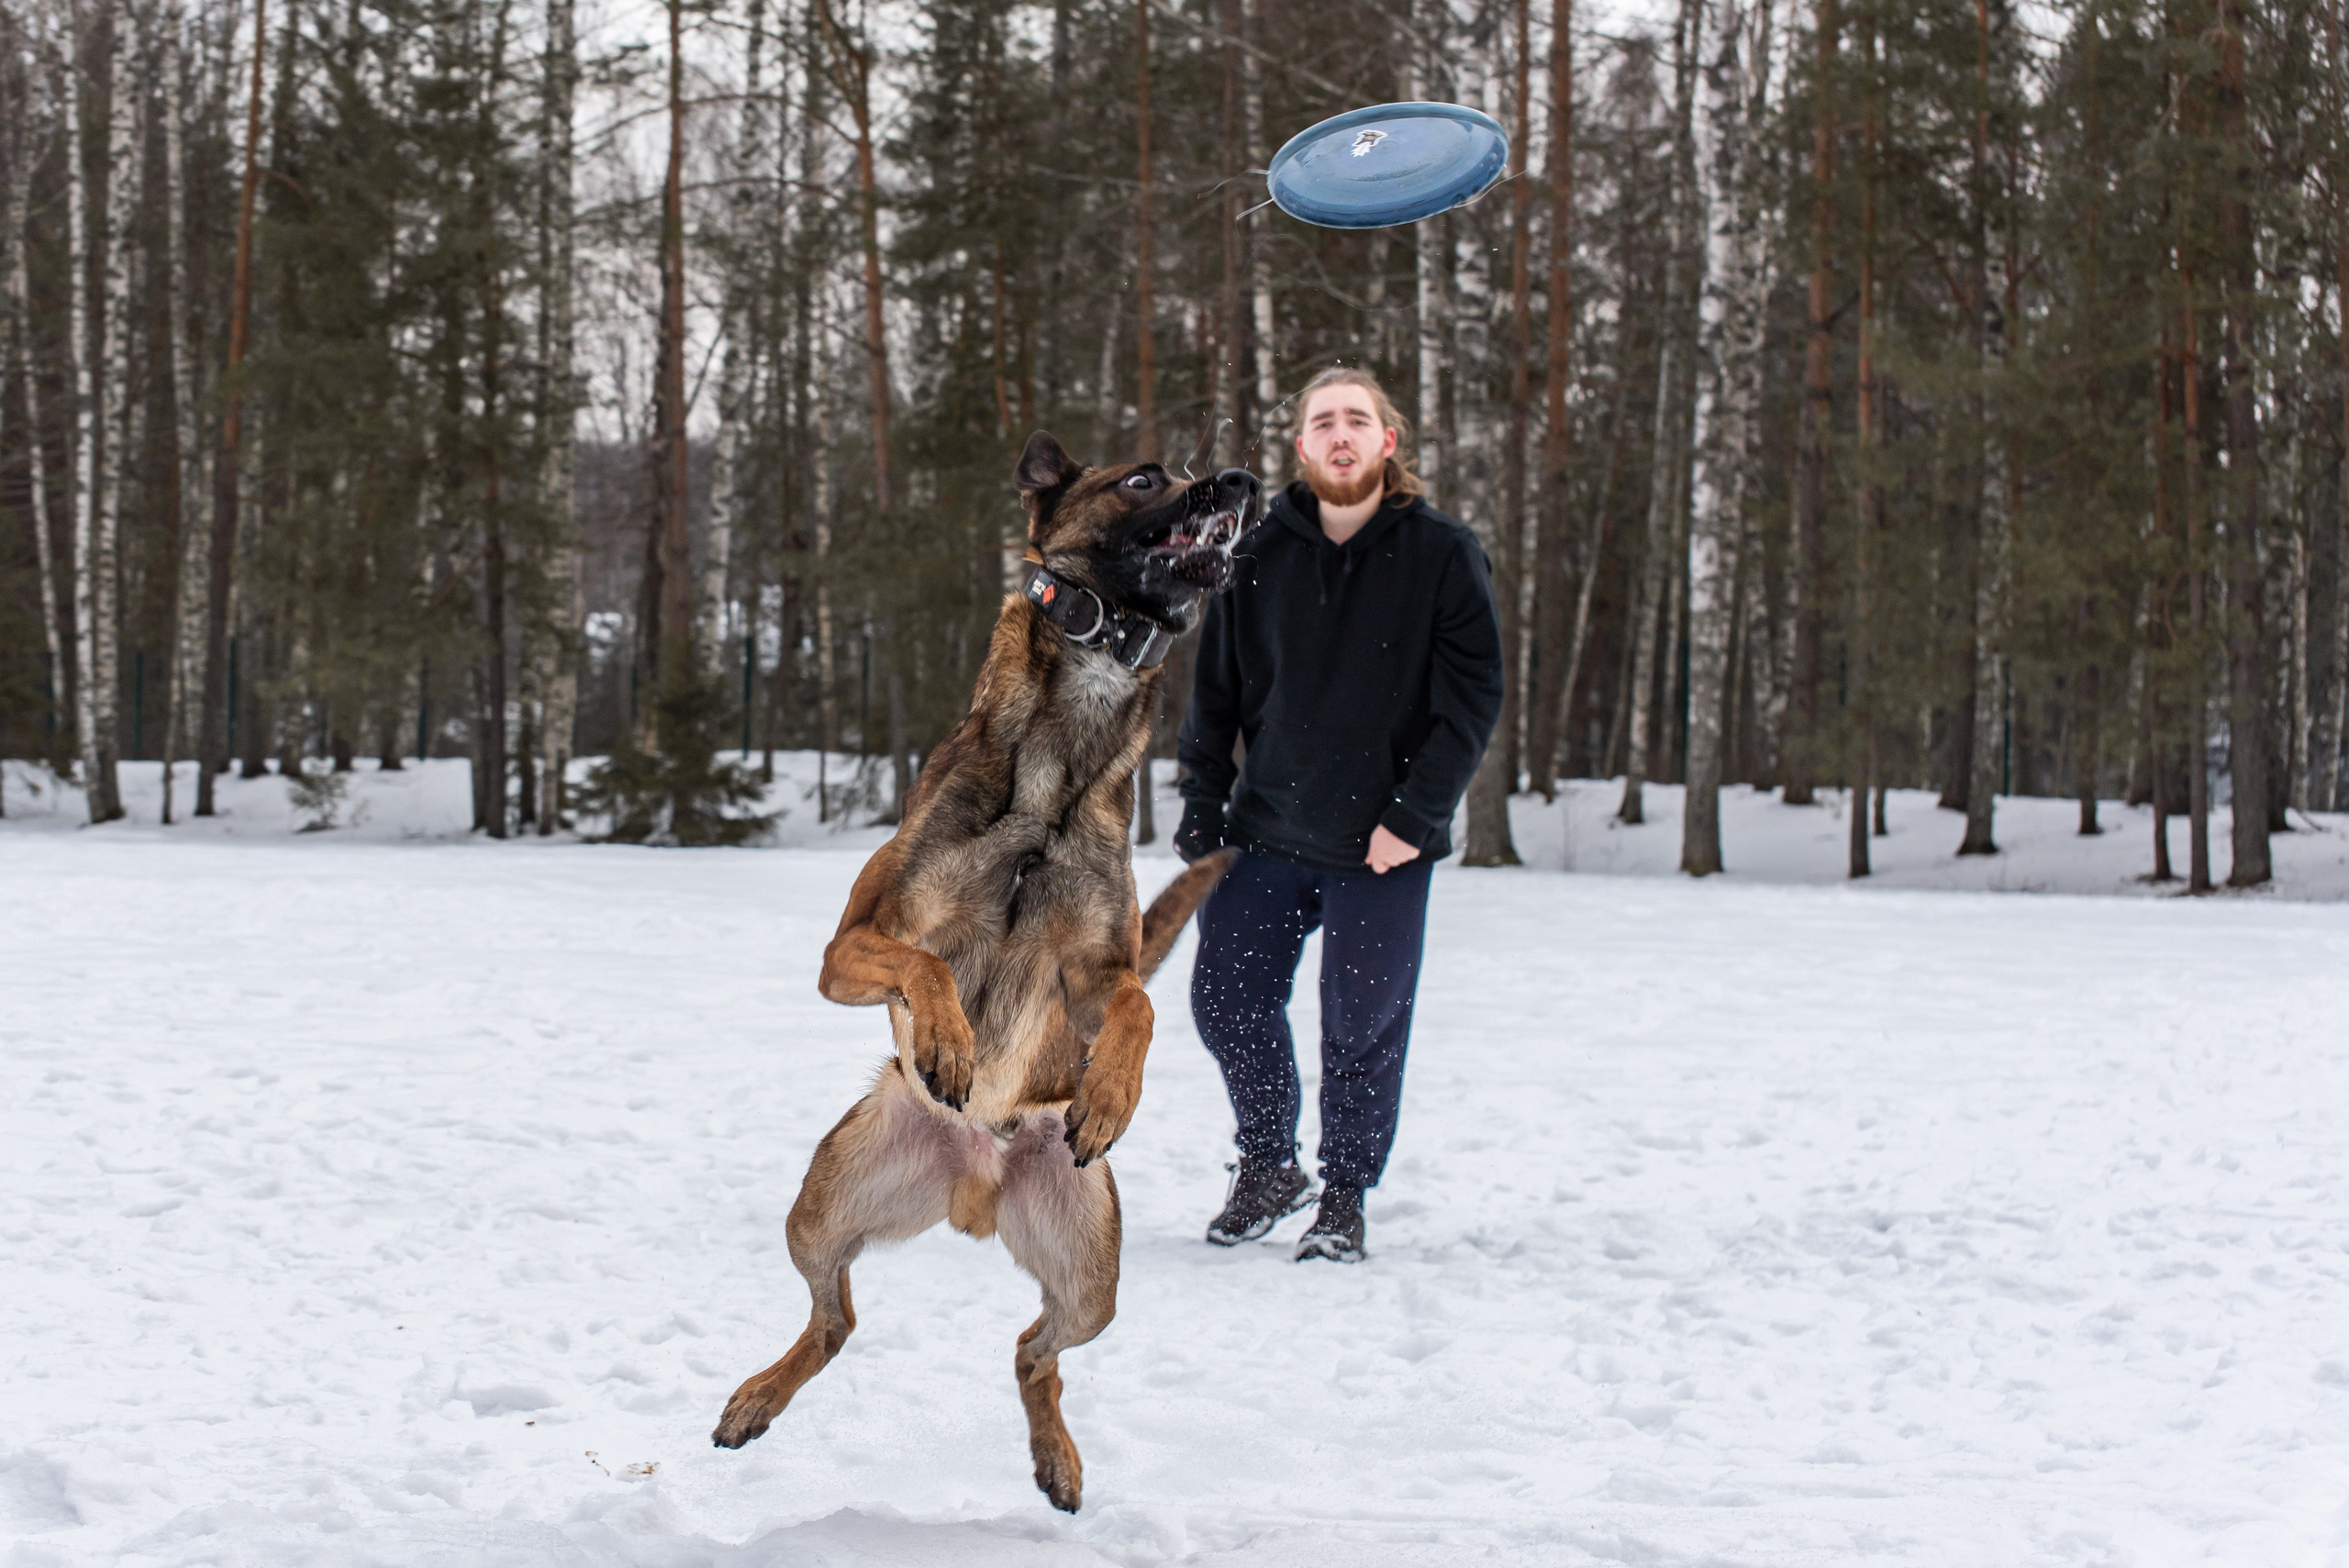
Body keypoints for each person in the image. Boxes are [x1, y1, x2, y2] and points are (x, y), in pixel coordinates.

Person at [1174, 365, 1503, 1263]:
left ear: (1387, 442)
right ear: (1303, 446)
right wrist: (1203, 808)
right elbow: (1214, 698)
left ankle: (1344, 1194)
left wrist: (1415, 815)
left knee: (1360, 1022)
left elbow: (1472, 696)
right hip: (1265, 830)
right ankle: (1269, 1163)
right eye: (1324, 420)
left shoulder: (1441, 551)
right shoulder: (1256, 555)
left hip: (1383, 842)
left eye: (1358, 418)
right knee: (1224, 998)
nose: (1341, 432)